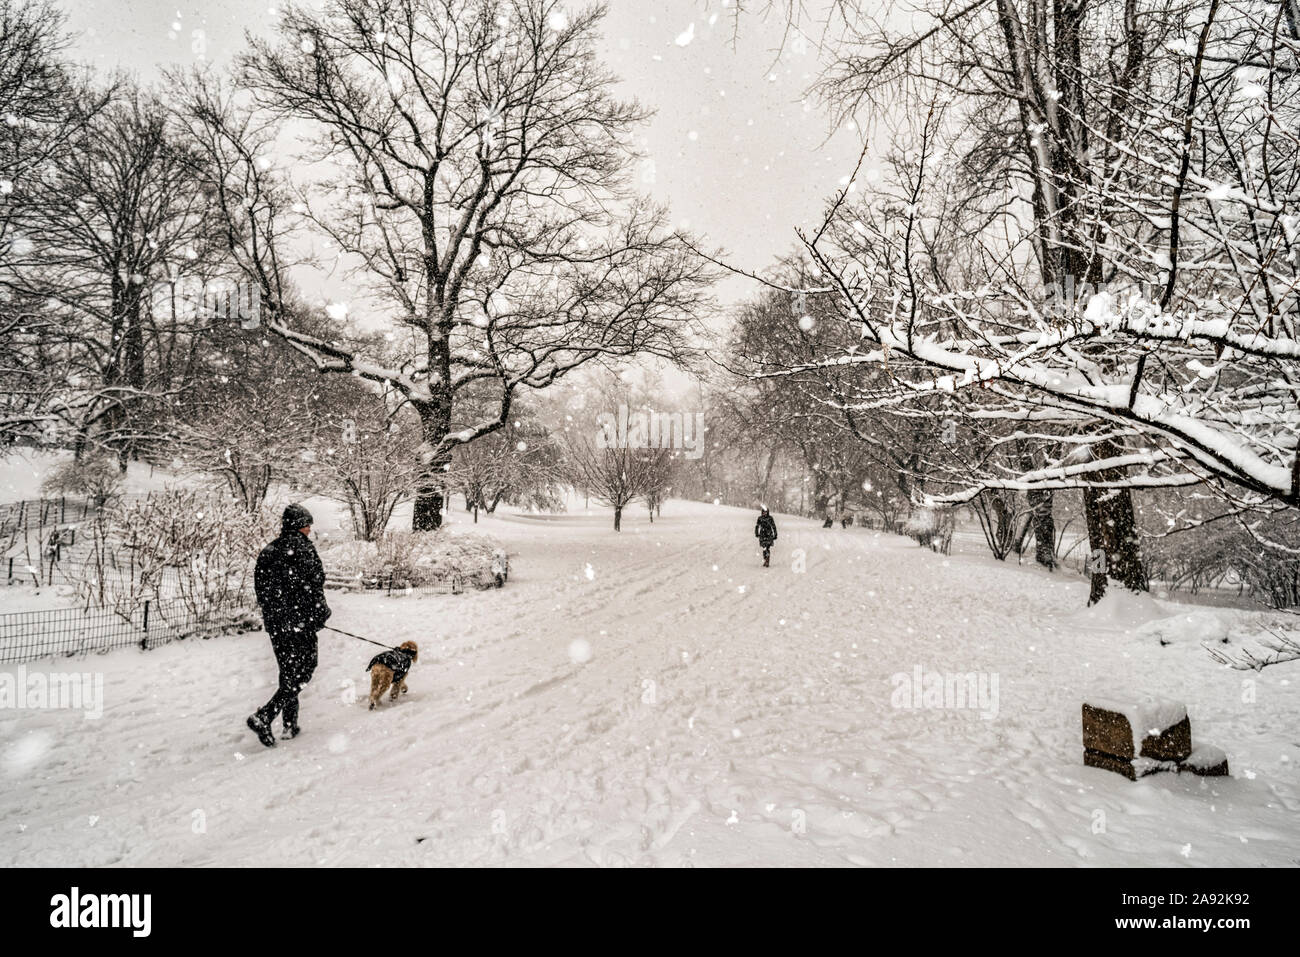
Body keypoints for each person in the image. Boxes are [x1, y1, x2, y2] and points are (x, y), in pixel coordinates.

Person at [246, 503, 331, 748]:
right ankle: (266, 715)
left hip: (276, 624)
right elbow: (314, 587)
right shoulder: (303, 550)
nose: (309, 530)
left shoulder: (269, 550)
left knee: (288, 671)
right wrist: (319, 615)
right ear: (299, 525)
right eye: (307, 525)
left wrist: (276, 614)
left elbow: (261, 590)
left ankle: (290, 724)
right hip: (300, 623)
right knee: (305, 670)